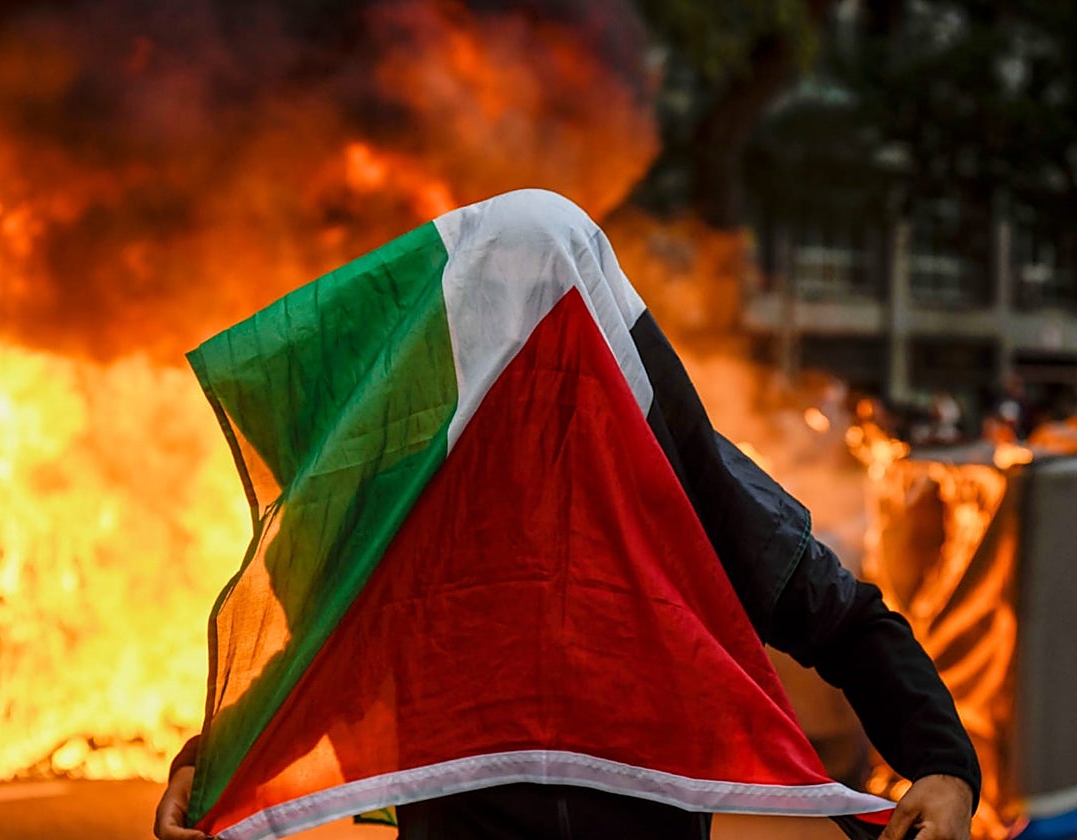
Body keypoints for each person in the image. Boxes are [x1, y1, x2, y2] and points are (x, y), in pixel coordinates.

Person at [155, 190, 978, 840]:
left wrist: (942, 767)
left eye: (553, 314)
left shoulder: (683, 477)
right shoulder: (426, 499)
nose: (532, 346)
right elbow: (323, 655)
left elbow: (845, 621)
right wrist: (211, 767)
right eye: (504, 316)